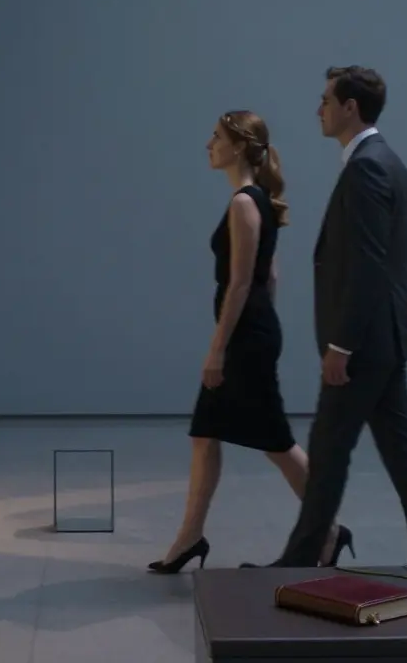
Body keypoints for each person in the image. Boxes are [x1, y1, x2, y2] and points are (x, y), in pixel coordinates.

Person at [251, 66, 407, 569]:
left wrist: (341, 345)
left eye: (325, 100)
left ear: (350, 107)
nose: (318, 109)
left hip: (362, 343)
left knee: (329, 452)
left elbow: (367, 264)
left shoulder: (366, 168)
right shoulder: (387, 163)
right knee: (401, 453)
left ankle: (301, 560)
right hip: (385, 337)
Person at [147, 110, 353, 574]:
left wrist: (219, 349)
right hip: (253, 333)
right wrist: (261, 328)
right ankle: (189, 537)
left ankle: (329, 529)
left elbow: (241, 283)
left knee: (276, 441)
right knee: (205, 435)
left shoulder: (244, 203)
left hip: (244, 340)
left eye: (216, 137)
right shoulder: (256, 200)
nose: (209, 144)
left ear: (239, 146)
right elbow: (270, 276)